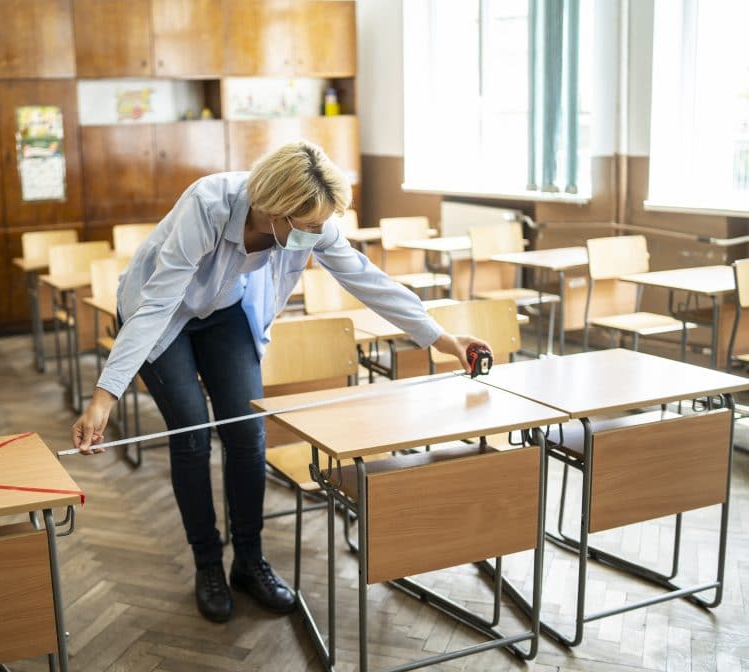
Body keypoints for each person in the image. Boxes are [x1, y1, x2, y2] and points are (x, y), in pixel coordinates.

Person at [72, 141, 490, 623]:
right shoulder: (208, 205)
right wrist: (105, 396)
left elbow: (364, 277)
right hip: (159, 313)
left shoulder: (310, 223)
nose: (317, 235)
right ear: (273, 209)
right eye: (309, 227)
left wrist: (440, 336)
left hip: (224, 309)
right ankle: (207, 563)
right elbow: (159, 304)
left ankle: (248, 561)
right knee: (190, 437)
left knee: (247, 435)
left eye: (321, 226)